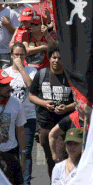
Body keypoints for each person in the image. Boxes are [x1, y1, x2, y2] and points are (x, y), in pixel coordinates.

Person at [28, 46, 74, 177]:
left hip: (65, 124)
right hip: (45, 124)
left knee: (60, 156)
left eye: (60, 58)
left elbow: (78, 101)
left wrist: (67, 108)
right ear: (49, 58)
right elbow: (31, 96)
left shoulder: (70, 76)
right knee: (50, 159)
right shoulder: (41, 74)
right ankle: (54, 184)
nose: (56, 61)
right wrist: (44, 103)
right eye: (54, 57)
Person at [3, 43, 38, 185]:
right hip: (8, 118)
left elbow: (31, 86)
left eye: (21, 54)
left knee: (26, 150)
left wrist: (21, 68)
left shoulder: (32, 71)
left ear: (25, 56)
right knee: (10, 150)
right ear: (11, 55)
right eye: (16, 54)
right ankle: (11, 183)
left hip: (28, 116)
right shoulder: (5, 72)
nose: (18, 57)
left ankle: (26, 183)